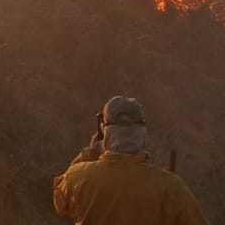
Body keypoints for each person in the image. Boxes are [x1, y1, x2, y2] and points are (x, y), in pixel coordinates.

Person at [52, 96, 208, 225]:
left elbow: (61, 204)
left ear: (104, 132)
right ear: (142, 134)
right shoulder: (171, 186)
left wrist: (90, 153)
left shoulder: (78, 176)